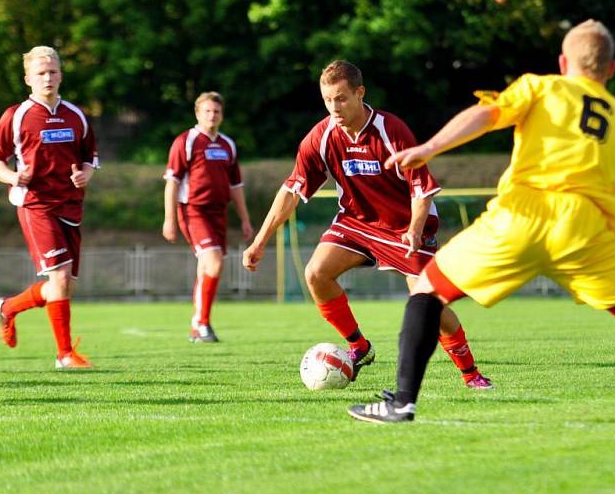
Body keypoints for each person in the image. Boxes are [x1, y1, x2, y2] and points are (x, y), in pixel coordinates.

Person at [348, 20, 615, 427]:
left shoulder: (541, 86)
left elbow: (487, 114)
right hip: (585, 231)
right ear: (612, 70)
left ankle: (403, 403)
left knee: (427, 290)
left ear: (564, 62)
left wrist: (431, 147)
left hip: (522, 216)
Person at [243, 60, 492, 388]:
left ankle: (471, 374)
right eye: (328, 100)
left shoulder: (392, 131)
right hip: (356, 223)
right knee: (316, 273)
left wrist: (415, 229)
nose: (335, 107)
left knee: (427, 301)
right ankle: (359, 347)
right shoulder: (321, 137)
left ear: (360, 93)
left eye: (342, 98)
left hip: (404, 227)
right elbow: (291, 190)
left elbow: (422, 189)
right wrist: (260, 241)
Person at [0, 46, 98, 369]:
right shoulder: (16, 115)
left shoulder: (76, 115)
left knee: (61, 287)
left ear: (61, 75)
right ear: (28, 79)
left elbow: (90, 157)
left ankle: (8, 307)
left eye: (52, 72)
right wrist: (13, 176)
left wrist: (84, 175)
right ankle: (65, 354)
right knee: (60, 277)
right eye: (40, 73)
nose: (47, 78)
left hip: (71, 205)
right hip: (35, 204)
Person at [163, 91, 254, 343]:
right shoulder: (187, 141)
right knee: (213, 262)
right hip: (193, 210)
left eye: (216, 111)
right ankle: (202, 324)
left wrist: (245, 219)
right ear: (197, 113)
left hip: (219, 212)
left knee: (207, 267)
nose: (212, 115)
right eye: (207, 111)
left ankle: (197, 324)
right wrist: (169, 219)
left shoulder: (227, 145)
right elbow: (172, 182)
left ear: (221, 115)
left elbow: (236, 186)